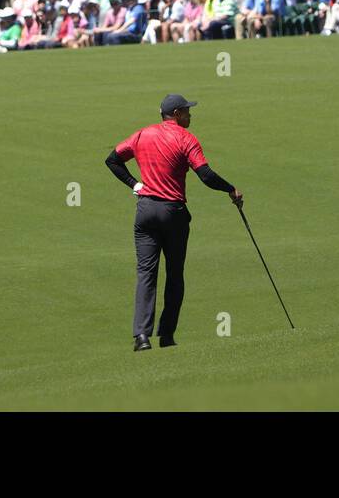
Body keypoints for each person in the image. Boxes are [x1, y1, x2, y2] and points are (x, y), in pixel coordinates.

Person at [104, 94, 243, 351]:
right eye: (188, 111)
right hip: (173, 213)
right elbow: (206, 175)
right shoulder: (186, 138)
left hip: (145, 211)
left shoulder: (142, 134)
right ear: (177, 113)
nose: (191, 115)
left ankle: (141, 337)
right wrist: (230, 189)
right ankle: (166, 336)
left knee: (146, 273)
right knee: (175, 273)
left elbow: (112, 160)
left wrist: (135, 184)